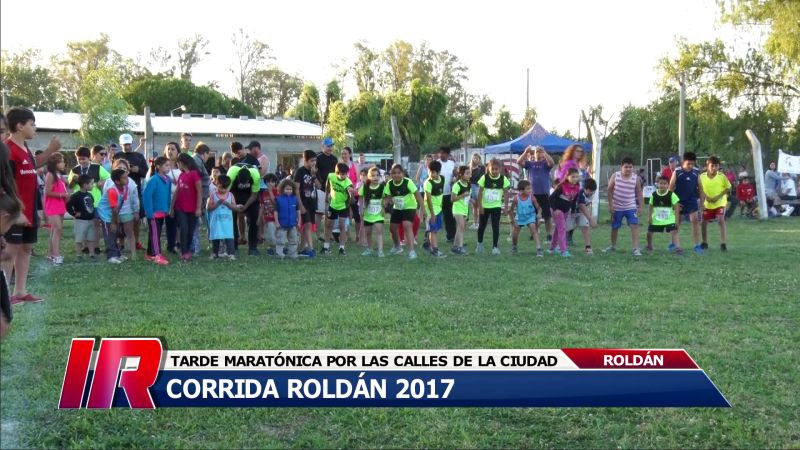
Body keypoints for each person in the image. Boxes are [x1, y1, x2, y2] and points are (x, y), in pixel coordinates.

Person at [2, 107, 62, 303]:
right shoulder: (8, 149)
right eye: (32, 124)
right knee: (9, 251)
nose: (35, 127)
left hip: (29, 209)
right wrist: (14, 209)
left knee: (26, 247)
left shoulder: (25, 148)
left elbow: (32, 164)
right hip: (14, 211)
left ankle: (20, 291)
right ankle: (5, 295)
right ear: (20, 126)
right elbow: (6, 182)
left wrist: (50, 151)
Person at [69, 146, 109, 256]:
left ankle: (96, 246)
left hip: (95, 201)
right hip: (80, 203)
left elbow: (108, 178)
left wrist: (101, 182)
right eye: (79, 159)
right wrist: (73, 180)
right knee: (82, 225)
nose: (81, 161)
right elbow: (70, 186)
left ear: (89, 158)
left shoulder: (97, 167)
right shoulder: (74, 170)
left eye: (84, 159)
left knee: (95, 224)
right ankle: (85, 247)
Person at [113, 133, 148, 250]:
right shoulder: (117, 156)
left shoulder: (139, 156)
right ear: (120, 144)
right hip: (120, 190)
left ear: (132, 143)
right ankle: (121, 242)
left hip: (135, 190)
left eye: (128, 144)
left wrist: (138, 170)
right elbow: (113, 172)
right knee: (120, 217)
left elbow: (146, 172)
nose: (127, 146)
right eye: (124, 144)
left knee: (136, 218)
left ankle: (136, 241)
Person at [605, 157, 643, 256]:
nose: (628, 169)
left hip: (631, 206)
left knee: (634, 225)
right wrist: (610, 205)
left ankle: (636, 248)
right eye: (626, 167)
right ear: (621, 167)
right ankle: (613, 246)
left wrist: (640, 207)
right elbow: (609, 190)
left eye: (630, 167)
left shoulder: (636, 178)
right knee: (615, 226)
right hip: (617, 206)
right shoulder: (615, 176)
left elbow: (639, 192)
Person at [384, 164, 423, 260]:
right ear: (391, 174)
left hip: (409, 206)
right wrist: (385, 204)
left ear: (403, 174)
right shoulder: (389, 184)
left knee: (407, 225)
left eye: (399, 173)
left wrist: (423, 208)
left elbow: (417, 195)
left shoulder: (408, 182)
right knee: (392, 228)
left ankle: (412, 252)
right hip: (397, 207)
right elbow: (387, 196)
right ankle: (397, 246)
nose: (396, 175)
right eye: (394, 173)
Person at [517, 145, 555, 242]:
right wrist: (526, 151)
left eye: (540, 152)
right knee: (533, 216)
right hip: (533, 194)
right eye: (537, 152)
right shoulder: (530, 164)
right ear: (534, 154)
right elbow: (519, 161)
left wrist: (544, 152)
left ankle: (549, 235)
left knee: (547, 216)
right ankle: (533, 233)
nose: (538, 153)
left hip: (544, 194)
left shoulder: (545, 164)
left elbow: (552, 163)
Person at [669, 152, 704, 253]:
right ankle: (673, 243)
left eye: (692, 164)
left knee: (695, 220)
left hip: (692, 200)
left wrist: (702, 203)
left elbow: (701, 188)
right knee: (677, 223)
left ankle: (696, 245)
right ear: (683, 162)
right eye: (688, 163)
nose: (691, 166)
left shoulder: (696, 172)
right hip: (679, 201)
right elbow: (670, 188)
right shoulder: (677, 171)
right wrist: (672, 203)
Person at [171, 153, 203, 262]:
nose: (177, 165)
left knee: (190, 230)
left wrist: (198, 208)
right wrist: (171, 207)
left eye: (178, 163)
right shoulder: (181, 175)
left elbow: (199, 192)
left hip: (192, 208)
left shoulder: (194, 174)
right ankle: (184, 252)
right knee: (183, 228)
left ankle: (188, 250)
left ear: (182, 162)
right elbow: (177, 192)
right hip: (180, 207)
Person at [226, 160, 261, 256]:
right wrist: (234, 206)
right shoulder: (231, 174)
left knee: (254, 218)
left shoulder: (256, 175)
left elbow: (254, 195)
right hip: (234, 194)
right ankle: (234, 247)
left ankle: (253, 247)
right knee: (231, 220)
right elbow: (226, 194)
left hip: (250, 195)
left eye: (245, 183)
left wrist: (245, 206)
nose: (244, 185)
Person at [476, 158, 511, 255]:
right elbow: (479, 193)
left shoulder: (503, 179)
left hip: (496, 206)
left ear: (500, 169)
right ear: (489, 169)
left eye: (496, 169)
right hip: (485, 206)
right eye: (493, 169)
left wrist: (506, 207)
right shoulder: (484, 178)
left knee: (495, 227)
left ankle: (495, 247)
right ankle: (479, 244)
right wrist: (480, 206)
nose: (495, 171)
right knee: (482, 226)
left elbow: (506, 193)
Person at [142, 156, 172, 266]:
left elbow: (168, 195)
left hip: (162, 212)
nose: (168, 167)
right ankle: (157, 255)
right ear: (158, 167)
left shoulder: (168, 180)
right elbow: (146, 196)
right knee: (155, 234)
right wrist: (149, 212)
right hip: (153, 213)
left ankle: (150, 254)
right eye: (166, 165)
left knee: (156, 233)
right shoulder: (153, 180)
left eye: (169, 165)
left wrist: (167, 208)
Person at [97, 169, 132, 264]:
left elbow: (119, 205)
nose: (127, 179)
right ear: (117, 181)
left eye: (127, 177)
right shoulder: (112, 190)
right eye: (124, 178)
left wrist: (117, 220)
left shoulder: (125, 188)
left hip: (114, 212)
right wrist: (113, 223)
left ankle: (118, 254)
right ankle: (111, 256)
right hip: (105, 213)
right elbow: (114, 209)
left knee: (115, 233)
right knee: (109, 234)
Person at [699, 156, 731, 252]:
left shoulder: (722, 176)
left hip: (720, 203)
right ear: (707, 166)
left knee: (720, 220)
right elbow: (700, 189)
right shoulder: (701, 177)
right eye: (712, 166)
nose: (714, 168)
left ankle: (723, 243)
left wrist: (718, 196)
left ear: (719, 166)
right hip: (707, 204)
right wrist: (705, 198)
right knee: (703, 222)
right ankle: (704, 242)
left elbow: (728, 187)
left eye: (716, 166)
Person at [645, 175, 683, 255]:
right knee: (649, 233)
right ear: (657, 184)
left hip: (669, 219)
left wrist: (676, 220)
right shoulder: (654, 195)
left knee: (674, 231)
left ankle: (678, 248)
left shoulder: (671, 195)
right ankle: (649, 246)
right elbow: (650, 206)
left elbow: (676, 207)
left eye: (664, 183)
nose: (662, 185)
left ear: (668, 185)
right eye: (660, 183)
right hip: (656, 219)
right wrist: (649, 217)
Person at [549, 168, 581, 257]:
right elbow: (551, 198)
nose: (575, 179)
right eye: (572, 177)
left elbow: (574, 200)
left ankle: (552, 248)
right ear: (567, 177)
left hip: (566, 211)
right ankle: (563, 250)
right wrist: (555, 209)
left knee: (558, 228)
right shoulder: (562, 187)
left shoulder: (577, 187)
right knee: (562, 229)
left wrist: (573, 211)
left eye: (576, 177)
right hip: (557, 211)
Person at [324, 163, 354, 255]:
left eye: (346, 174)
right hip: (333, 205)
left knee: (342, 226)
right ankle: (326, 247)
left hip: (343, 207)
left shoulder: (348, 183)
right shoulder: (331, 176)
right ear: (337, 173)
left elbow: (352, 201)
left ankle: (342, 248)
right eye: (342, 174)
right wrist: (327, 195)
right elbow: (327, 185)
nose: (344, 176)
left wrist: (351, 194)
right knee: (329, 226)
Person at [43, 153, 67, 265]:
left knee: (54, 230)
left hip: (60, 205)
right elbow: (47, 192)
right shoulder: (50, 175)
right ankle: (56, 255)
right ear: (55, 163)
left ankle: (51, 254)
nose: (63, 163)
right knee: (57, 229)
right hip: (52, 206)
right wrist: (62, 195)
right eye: (61, 161)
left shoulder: (58, 175)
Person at [207, 174, 238, 261]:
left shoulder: (230, 195)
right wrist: (217, 204)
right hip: (216, 222)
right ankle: (215, 253)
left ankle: (231, 254)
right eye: (220, 188)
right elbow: (209, 208)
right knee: (216, 236)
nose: (222, 190)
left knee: (229, 237)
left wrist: (227, 204)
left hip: (227, 222)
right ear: (217, 185)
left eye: (225, 188)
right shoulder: (213, 195)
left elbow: (234, 207)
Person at [67, 175, 97, 262]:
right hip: (80, 221)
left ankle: (92, 254)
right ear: (85, 185)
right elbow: (68, 205)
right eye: (91, 183)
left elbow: (92, 206)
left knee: (91, 238)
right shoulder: (76, 196)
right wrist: (74, 213)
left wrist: (94, 217)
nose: (93, 185)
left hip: (90, 220)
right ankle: (79, 255)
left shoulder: (90, 195)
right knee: (79, 239)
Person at [508, 180, 542, 256]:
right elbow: (511, 211)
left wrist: (539, 213)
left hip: (530, 217)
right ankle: (514, 246)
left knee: (533, 229)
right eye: (528, 189)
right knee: (515, 235)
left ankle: (539, 249)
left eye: (530, 188)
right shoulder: (516, 198)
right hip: (520, 217)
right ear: (521, 190)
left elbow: (539, 208)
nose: (530, 190)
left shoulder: (532, 197)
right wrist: (513, 221)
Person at [294, 149, 317, 257]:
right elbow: (296, 189)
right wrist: (300, 205)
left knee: (308, 225)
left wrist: (313, 175)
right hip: (303, 201)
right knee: (307, 224)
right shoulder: (300, 171)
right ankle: (311, 248)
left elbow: (319, 185)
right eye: (311, 160)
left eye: (315, 160)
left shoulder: (313, 171)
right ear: (305, 160)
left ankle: (302, 249)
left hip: (311, 201)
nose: (314, 163)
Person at [566, 178, 598, 255]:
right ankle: (563, 245)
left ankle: (588, 247)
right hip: (571, 211)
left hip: (581, 212)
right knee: (566, 228)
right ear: (585, 188)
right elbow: (581, 205)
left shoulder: (592, 194)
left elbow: (588, 205)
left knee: (585, 227)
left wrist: (589, 216)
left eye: (593, 191)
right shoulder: (580, 192)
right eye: (590, 191)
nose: (591, 193)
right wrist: (591, 219)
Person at [359, 166, 385, 257]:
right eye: (373, 175)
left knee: (379, 231)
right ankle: (369, 248)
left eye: (377, 175)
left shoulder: (382, 187)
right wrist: (361, 209)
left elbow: (385, 198)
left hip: (378, 214)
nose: (375, 177)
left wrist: (384, 208)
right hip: (368, 214)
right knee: (368, 232)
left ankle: (380, 251)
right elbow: (360, 198)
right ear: (369, 177)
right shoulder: (365, 187)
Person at [423, 160, 446, 258]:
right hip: (431, 210)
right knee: (433, 231)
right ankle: (435, 251)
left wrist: (441, 205)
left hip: (438, 209)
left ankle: (427, 243)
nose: (431, 174)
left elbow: (441, 194)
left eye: (433, 172)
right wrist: (432, 214)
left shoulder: (442, 179)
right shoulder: (428, 183)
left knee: (435, 229)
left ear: (439, 172)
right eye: (429, 171)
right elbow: (428, 200)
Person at [274, 178, 300, 259]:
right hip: (282, 224)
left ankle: (292, 254)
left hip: (292, 224)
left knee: (294, 240)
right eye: (287, 189)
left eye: (290, 189)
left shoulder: (295, 199)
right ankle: (279, 254)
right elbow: (275, 212)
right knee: (280, 240)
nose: (289, 191)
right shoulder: (278, 199)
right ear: (282, 189)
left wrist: (299, 221)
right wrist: (277, 222)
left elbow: (298, 211)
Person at [437, 147, 457, 244]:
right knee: (434, 216)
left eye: (444, 153)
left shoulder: (452, 164)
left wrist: (455, 179)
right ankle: (428, 238)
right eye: (440, 153)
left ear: (448, 155)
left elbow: (456, 175)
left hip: (448, 194)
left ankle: (451, 236)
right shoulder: (436, 163)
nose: (441, 155)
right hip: (437, 195)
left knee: (449, 216)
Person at [450, 165, 471, 255]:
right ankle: (460, 247)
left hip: (465, 208)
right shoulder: (457, 185)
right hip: (457, 209)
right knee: (461, 227)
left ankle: (455, 247)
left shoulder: (468, 184)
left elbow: (468, 196)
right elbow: (452, 199)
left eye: (469, 173)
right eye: (467, 173)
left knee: (460, 228)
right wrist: (462, 195)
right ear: (461, 175)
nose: (469, 175)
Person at [260, 173, 279, 256]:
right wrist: (259, 218)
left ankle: (277, 248)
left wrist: (270, 191)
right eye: (268, 182)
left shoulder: (277, 192)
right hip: (267, 217)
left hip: (276, 218)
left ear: (275, 182)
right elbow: (262, 206)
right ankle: (272, 247)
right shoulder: (264, 193)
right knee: (270, 234)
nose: (270, 184)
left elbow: (275, 202)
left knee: (276, 234)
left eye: (272, 182)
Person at [468, 153, 485, 229]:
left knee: (479, 206)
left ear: (479, 159)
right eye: (474, 158)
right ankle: (475, 223)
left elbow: (481, 177)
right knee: (474, 206)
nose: (475, 160)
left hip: (478, 187)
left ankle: (480, 223)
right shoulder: (469, 167)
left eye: (477, 158)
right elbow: (468, 178)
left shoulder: (482, 167)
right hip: (471, 187)